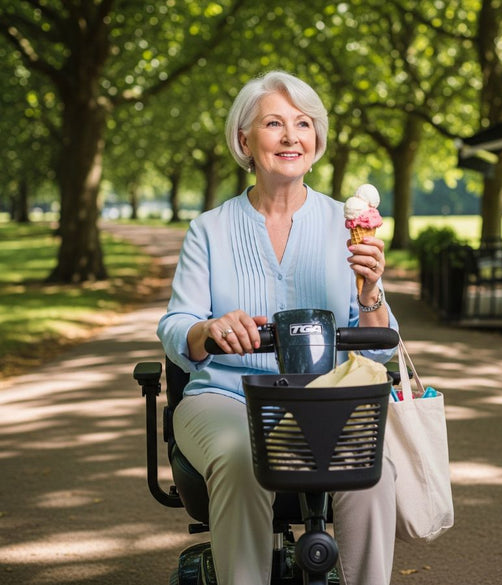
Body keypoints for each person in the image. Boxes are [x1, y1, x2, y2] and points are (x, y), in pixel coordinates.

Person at [157, 70, 399, 585]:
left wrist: (371, 291)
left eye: (303, 124)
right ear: (245, 140)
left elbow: (381, 353)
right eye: (274, 123)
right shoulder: (209, 230)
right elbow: (177, 325)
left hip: (325, 401)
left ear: (316, 140)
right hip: (226, 397)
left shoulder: (347, 228)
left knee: (373, 474)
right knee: (243, 457)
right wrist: (210, 329)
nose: (291, 136)